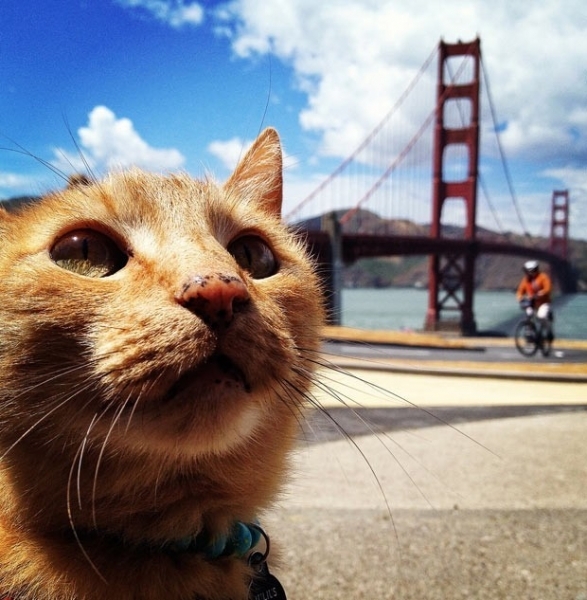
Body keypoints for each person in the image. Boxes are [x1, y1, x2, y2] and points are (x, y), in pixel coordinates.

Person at [516, 260, 554, 340]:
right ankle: (529, 332)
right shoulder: (526, 280)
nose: (527, 273)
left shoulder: (543, 277)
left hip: (543, 302)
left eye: (528, 271)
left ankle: (549, 330)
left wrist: (541, 293)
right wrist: (520, 298)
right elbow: (520, 291)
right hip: (532, 303)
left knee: (541, 316)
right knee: (529, 313)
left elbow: (548, 288)